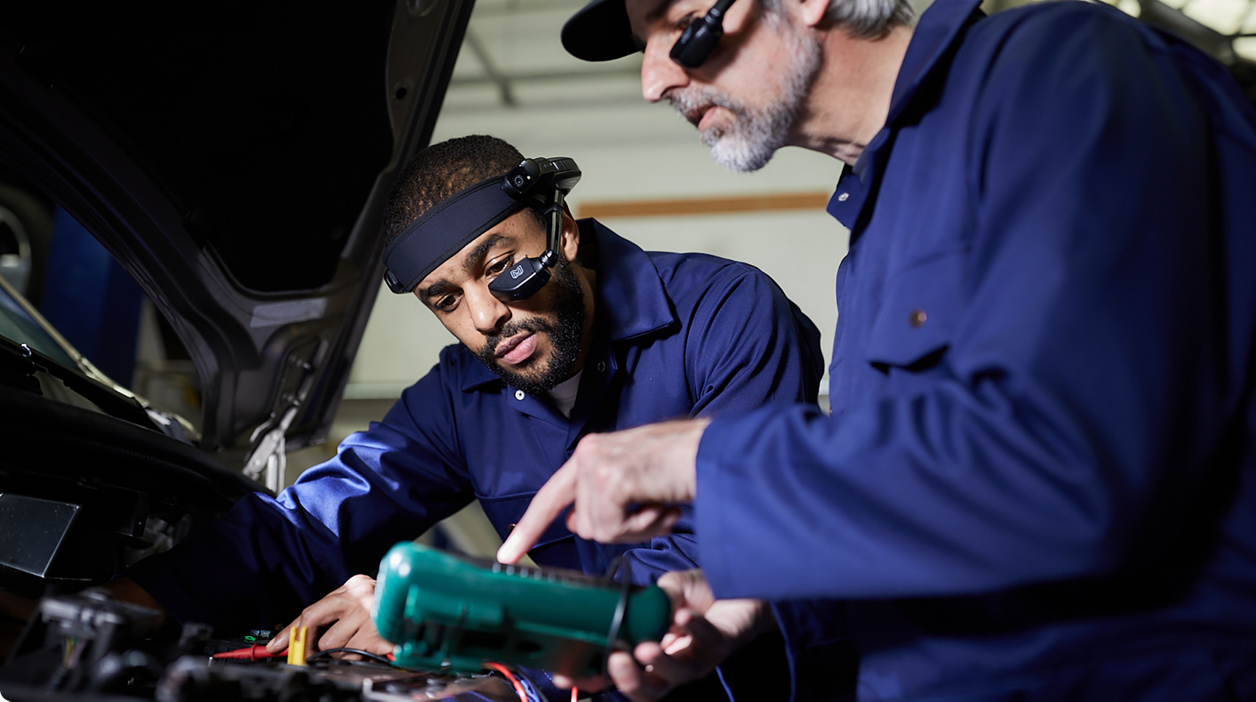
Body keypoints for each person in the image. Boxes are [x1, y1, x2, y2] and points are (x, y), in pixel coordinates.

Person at [498, 0, 1256, 702]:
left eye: (680, 26)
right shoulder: (872, 233)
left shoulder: (1060, 74)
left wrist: (705, 458)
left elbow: (1069, 466)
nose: (653, 81)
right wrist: (746, 594)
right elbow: (943, 503)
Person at [119, 134, 822, 700]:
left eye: (500, 264)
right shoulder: (459, 395)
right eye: (445, 300)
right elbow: (308, 528)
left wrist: (463, 620)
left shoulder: (726, 316)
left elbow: (717, 551)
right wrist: (124, 601)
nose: (486, 316)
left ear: (564, 233)